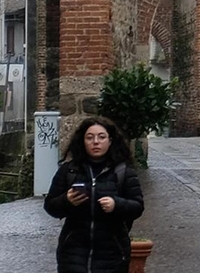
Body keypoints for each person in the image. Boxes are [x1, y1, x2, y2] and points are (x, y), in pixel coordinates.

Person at [44, 116, 144, 273]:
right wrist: (67, 201)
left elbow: (137, 206)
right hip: (73, 255)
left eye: (101, 137)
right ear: (82, 141)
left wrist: (116, 204)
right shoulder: (69, 170)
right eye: (89, 137)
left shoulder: (123, 172)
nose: (95, 142)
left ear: (110, 141)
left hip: (112, 254)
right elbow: (50, 206)